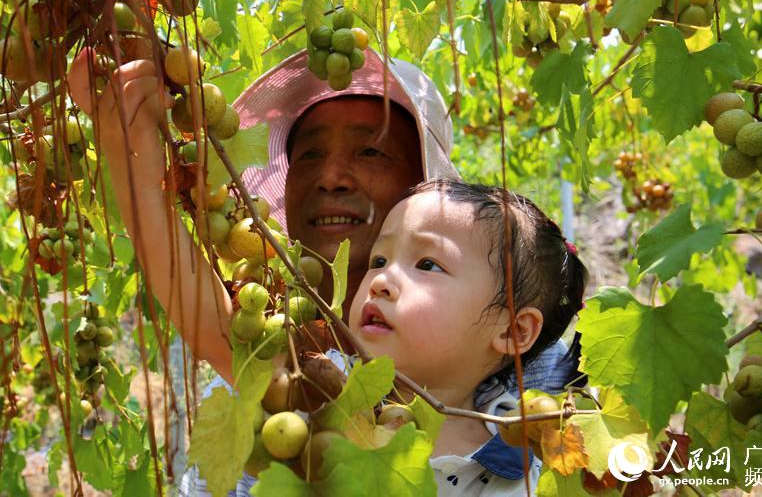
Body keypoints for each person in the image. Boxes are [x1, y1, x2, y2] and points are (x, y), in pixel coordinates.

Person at [67, 47, 583, 395]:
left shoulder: (541, 396)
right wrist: (127, 145)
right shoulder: (289, 352)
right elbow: (196, 306)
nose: (331, 176)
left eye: (372, 152)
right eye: (307, 157)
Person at [190, 179, 588, 495]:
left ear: (513, 331)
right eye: (379, 260)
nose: (381, 280)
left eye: (427, 264)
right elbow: (214, 325)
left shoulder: (526, 468)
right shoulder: (321, 390)